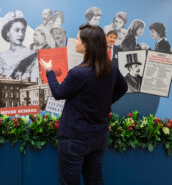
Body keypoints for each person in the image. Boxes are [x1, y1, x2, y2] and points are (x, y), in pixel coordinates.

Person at [40, 24, 128, 185]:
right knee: (95, 179)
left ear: (87, 45)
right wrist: (105, 103)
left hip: (74, 137)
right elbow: (123, 88)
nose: (75, 41)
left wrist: (49, 71)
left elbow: (58, 93)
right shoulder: (111, 68)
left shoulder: (78, 73)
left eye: (79, 39)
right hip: (99, 136)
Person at [0, 10, 39, 81]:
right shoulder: (0, 57)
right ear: (7, 33)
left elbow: (35, 82)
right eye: (17, 30)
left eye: (23, 30)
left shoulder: (32, 55)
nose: (21, 34)